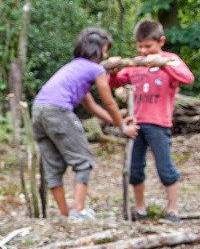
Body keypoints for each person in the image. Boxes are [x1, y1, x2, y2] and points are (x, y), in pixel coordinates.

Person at [30, 27, 137, 219]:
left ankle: (65, 215)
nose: (107, 55)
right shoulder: (95, 69)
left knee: (53, 166)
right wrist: (123, 127)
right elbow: (109, 102)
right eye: (106, 50)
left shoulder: (74, 68)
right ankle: (78, 211)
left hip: (38, 110)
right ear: (98, 50)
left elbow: (93, 107)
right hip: (58, 111)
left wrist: (116, 120)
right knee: (83, 160)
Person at [106, 20, 194, 222]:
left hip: (159, 124)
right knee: (135, 169)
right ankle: (140, 208)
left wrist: (161, 62)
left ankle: (173, 209)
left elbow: (188, 78)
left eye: (148, 46)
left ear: (160, 42)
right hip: (136, 124)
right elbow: (115, 82)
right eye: (140, 46)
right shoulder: (135, 65)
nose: (144, 51)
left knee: (165, 168)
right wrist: (112, 70)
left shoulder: (170, 60)